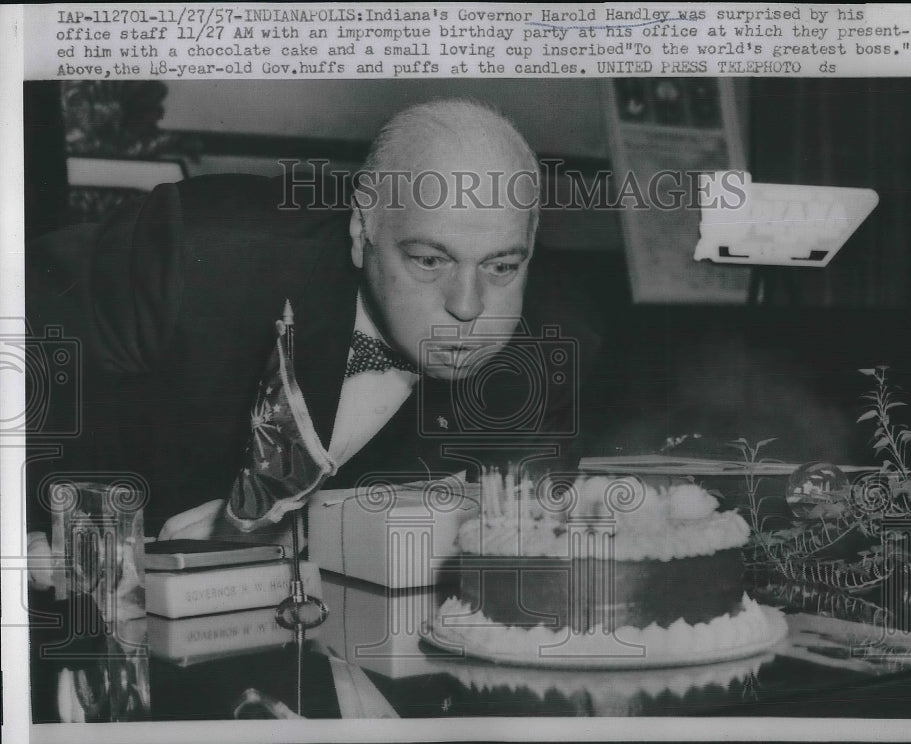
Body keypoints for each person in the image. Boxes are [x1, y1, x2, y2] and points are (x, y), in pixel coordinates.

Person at [25, 99, 599, 585]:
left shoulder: (549, 346)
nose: (468, 307)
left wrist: (296, 532)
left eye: (501, 266)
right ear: (361, 232)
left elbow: (518, 539)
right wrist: (78, 547)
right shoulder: (204, 251)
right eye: (429, 260)